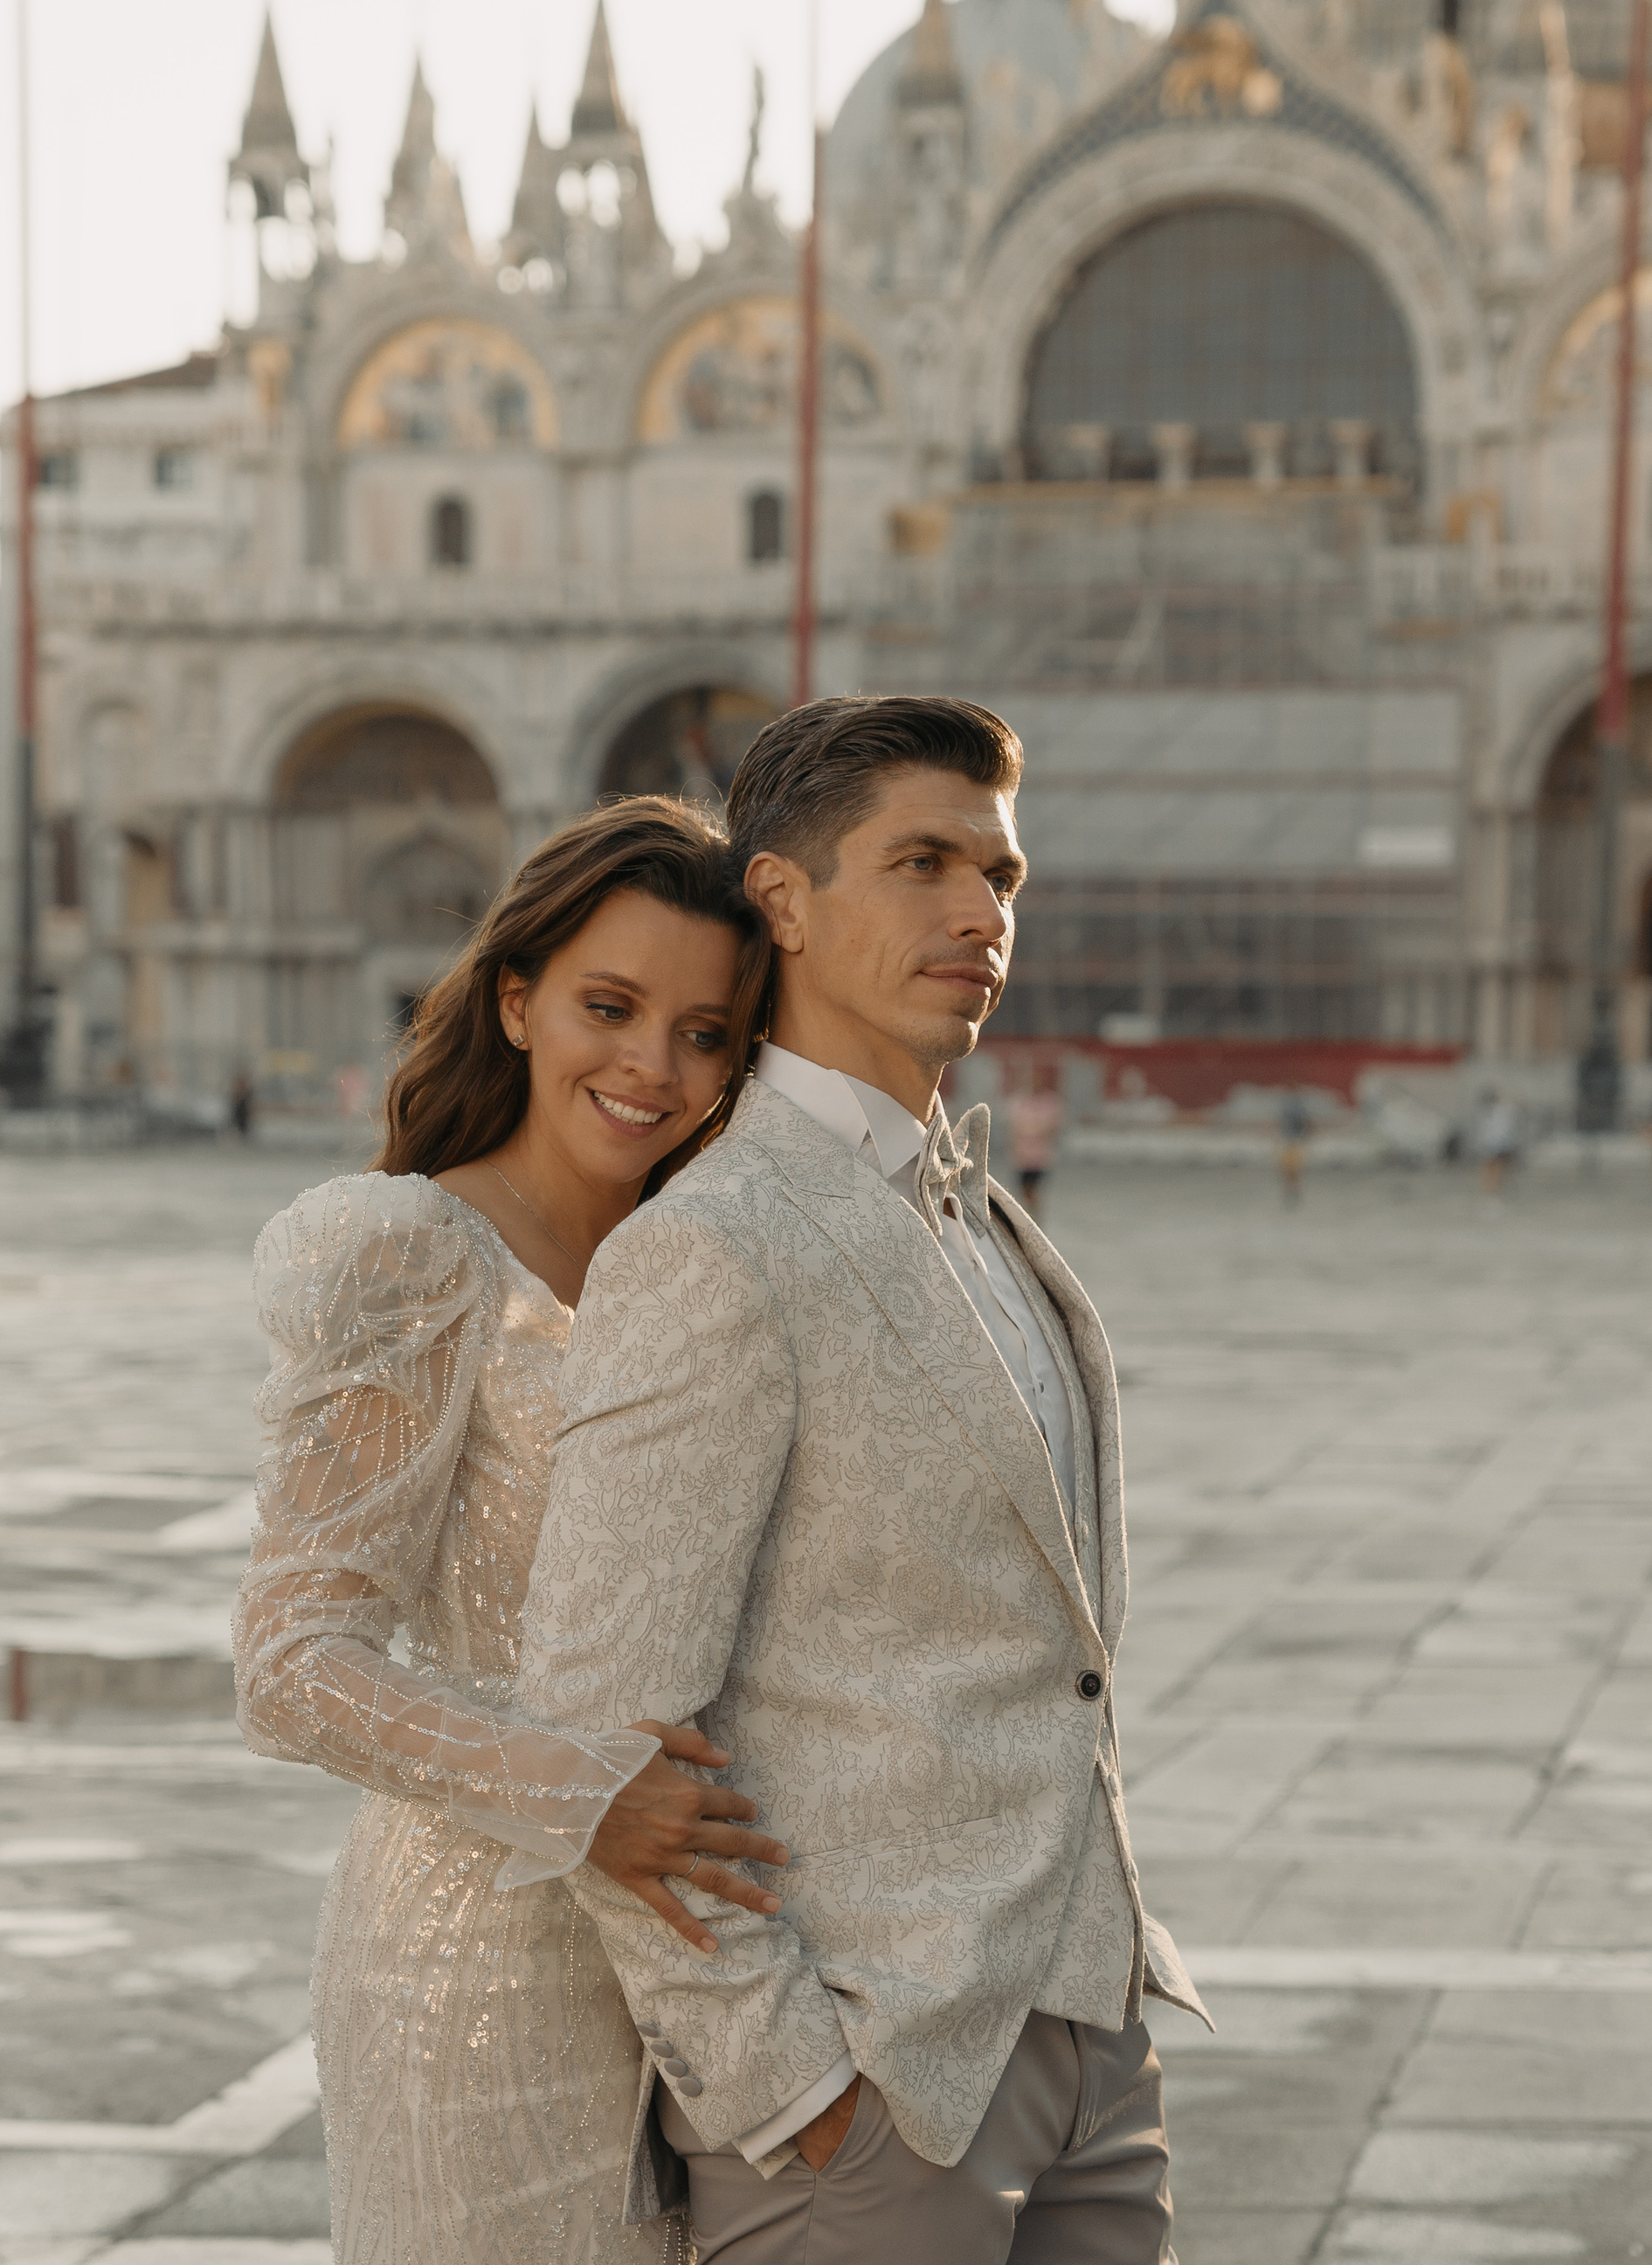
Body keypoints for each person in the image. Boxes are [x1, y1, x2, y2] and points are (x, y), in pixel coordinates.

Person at [515, 696, 1207, 2264]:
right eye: (923, 864)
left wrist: (1103, 2013)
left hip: (1092, 2040)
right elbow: (595, 1726)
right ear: (783, 898)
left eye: (1002, 876)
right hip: (869, 2096)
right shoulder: (712, 1246)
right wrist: (794, 2087)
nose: (981, 912)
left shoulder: (995, 1220)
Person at [232, 800, 793, 2264]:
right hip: (479, 1958)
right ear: (517, 1000)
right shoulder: (417, 1255)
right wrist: (584, 1793)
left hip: (732, 1962)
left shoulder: (718, 1260)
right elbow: (291, 1661)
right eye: (611, 1007)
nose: (652, 1065)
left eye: (705, 1034)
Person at [1006, 1062, 1064, 1218]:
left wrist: (1035, 1128)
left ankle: (1034, 1216)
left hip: (1041, 1157)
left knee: (1033, 1188)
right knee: (1023, 1190)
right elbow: (1014, 1125)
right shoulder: (1019, 1100)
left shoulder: (1050, 1101)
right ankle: (1030, 1215)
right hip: (1022, 1156)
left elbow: (1054, 1126)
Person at [1277, 1087, 1310, 1209]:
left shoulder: (1288, 1108)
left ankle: (1291, 1193)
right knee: (1292, 1171)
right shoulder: (1298, 1108)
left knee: (1291, 1171)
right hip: (1293, 1141)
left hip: (1291, 1141)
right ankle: (1292, 1193)